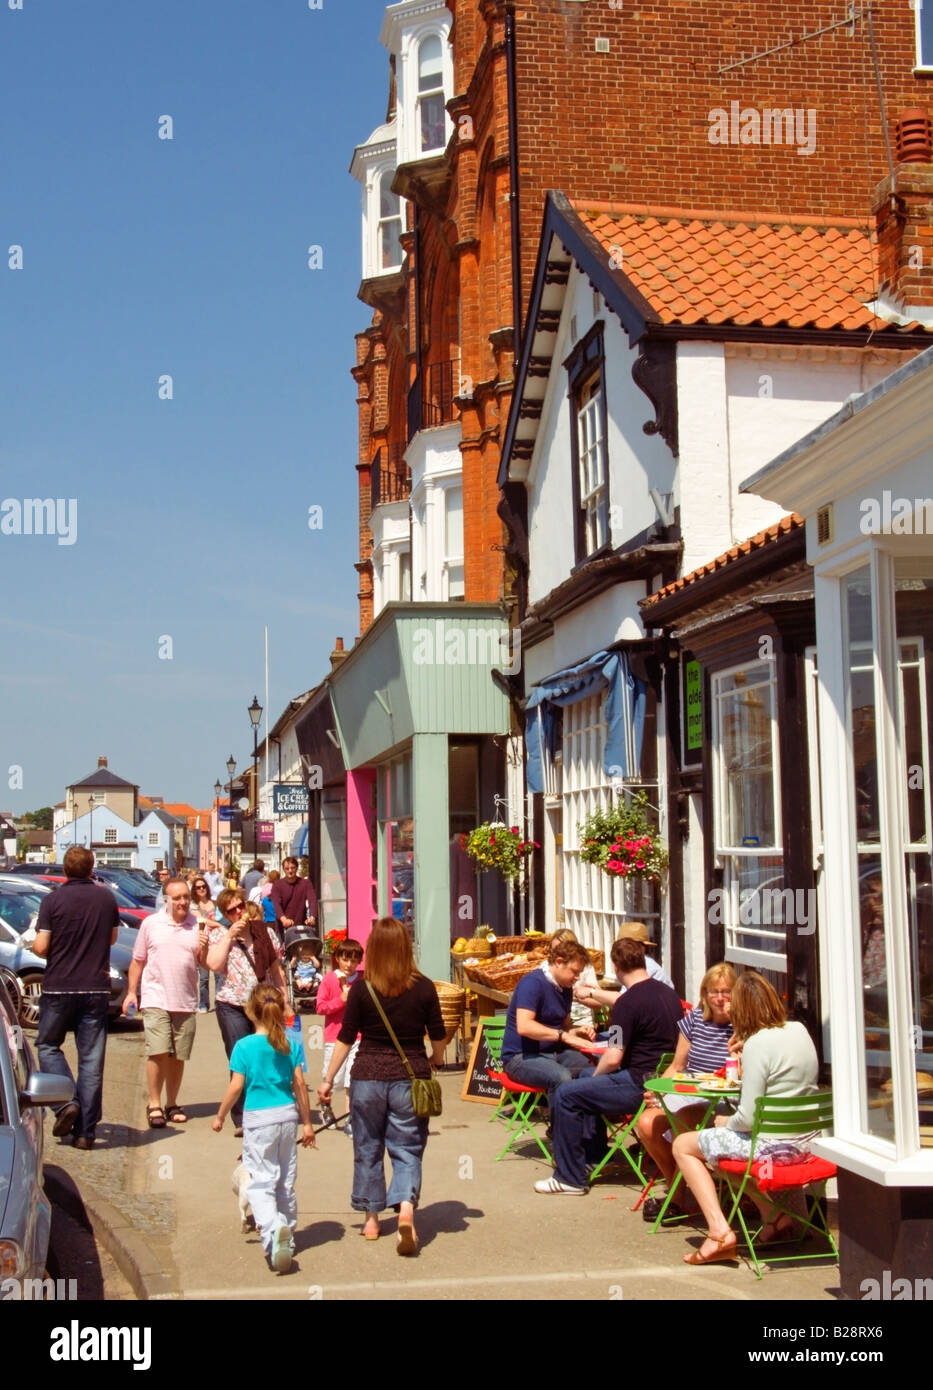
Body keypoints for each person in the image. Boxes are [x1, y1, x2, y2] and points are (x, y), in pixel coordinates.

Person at [671, 971, 819, 1265]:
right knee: (718, 1154)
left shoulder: (757, 1044)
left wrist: (727, 1123)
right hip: (806, 1144)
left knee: (684, 1145)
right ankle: (775, 1219)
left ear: (742, 1009)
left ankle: (719, 1233)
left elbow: (748, 1116)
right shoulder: (799, 1030)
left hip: (773, 1149)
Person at [318, 917, 446, 1254]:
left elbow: (346, 1038)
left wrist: (328, 1078)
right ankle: (405, 1211)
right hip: (410, 1076)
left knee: (367, 1146)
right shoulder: (424, 987)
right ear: (407, 948)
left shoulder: (363, 988)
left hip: (367, 1075)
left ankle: (372, 1219)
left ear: (372, 950)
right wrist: (437, 1058)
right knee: (407, 1147)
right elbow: (438, 1033)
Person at [535, 936, 683, 1195]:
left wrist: (594, 1080)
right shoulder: (669, 995)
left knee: (567, 1092)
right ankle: (595, 1155)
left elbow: (614, 1056)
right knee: (586, 1075)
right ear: (643, 961)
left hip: (638, 1084)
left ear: (616, 967)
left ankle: (569, 1177)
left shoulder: (626, 1003)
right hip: (664, 1082)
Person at [213, 983, 316, 1273]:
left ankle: (273, 1231)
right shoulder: (289, 1045)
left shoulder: (243, 1047)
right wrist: (307, 1123)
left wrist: (220, 1115)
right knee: (284, 1179)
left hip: (259, 1119)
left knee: (261, 1180)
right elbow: (299, 1085)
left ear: (249, 1011)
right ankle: (288, 1232)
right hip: (287, 1117)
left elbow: (236, 1086)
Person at [32, 845, 120, 1150]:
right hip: (96, 987)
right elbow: (112, 938)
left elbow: (42, 947)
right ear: (92, 868)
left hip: (59, 986)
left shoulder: (52, 900)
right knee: (91, 1061)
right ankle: (86, 1132)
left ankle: (65, 1102)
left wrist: (35, 943)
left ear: (65, 870)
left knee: (47, 1045)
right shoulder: (106, 898)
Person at [636, 961, 736, 1220]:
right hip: (689, 1090)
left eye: (726, 991)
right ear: (705, 993)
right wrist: (659, 1092)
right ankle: (679, 1185)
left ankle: (678, 1198)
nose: (720, 997)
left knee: (682, 1121)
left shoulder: (741, 1026)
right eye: (714, 991)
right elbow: (677, 1066)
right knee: (646, 1123)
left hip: (723, 1097)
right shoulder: (693, 1020)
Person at [124, 877, 209, 1128]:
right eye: (177, 898)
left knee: (177, 1056)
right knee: (158, 1051)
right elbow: (138, 960)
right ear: (166, 900)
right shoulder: (151, 924)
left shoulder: (197, 925)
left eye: (186, 896)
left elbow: (204, 963)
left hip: (184, 999)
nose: (183, 901)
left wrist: (203, 949)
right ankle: (154, 1104)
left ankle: (172, 1102)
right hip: (155, 997)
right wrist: (131, 992)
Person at [205, 888, 287, 1138]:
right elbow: (214, 965)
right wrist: (230, 935)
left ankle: (266, 1108)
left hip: (262, 1004)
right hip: (231, 1004)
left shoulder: (264, 932)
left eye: (241, 906)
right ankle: (242, 1116)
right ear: (225, 914)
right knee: (240, 1057)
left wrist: (285, 1000)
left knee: (267, 1054)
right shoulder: (219, 934)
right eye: (232, 910)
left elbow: (275, 969)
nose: (239, 912)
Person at [501, 938, 597, 1104]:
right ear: (559, 962)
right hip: (520, 1056)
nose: (577, 977)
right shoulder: (532, 983)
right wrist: (565, 1036)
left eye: (579, 973)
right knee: (561, 1077)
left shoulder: (565, 987)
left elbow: (564, 1028)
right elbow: (524, 1026)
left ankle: (588, 1123)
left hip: (554, 1053)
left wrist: (577, 1031)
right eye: (575, 972)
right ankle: (559, 1128)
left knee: (596, 1071)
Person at [315, 938, 364, 1133]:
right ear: (337, 959)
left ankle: (350, 1118)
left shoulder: (362, 979)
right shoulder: (328, 980)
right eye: (345, 960)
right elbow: (320, 1007)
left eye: (353, 961)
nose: (349, 965)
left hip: (358, 1037)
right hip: (334, 1036)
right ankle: (325, 1107)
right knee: (332, 1079)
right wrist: (340, 1000)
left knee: (352, 1080)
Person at [575, 921, 674, 1012]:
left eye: (625, 946)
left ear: (641, 947)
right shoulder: (635, 965)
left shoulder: (645, 966)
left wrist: (591, 992)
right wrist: (598, 992)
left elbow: (622, 1001)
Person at [271, 856, 318, 941]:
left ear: (296, 868)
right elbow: (276, 904)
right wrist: (283, 919)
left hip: (301, 925)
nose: (290, 871)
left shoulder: (305, 883)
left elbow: (312, 900)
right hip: (282, 927)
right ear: (283, 870)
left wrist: (312, 917)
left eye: (292, 868)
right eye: (287, 868)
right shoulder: (277, 885)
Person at [190, 875, 218, 1013]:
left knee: (219, 975)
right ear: (194, 890)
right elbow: (202, 920)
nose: (201, 889)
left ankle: (219, 1002)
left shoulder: (215, 903)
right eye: (198, 887)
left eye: (203, 886)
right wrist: (219, 924)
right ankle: (203, 1004)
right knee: (204, 977)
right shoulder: (193, 906)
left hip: (216, 942)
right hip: (202, 942)